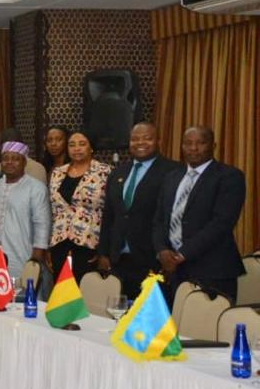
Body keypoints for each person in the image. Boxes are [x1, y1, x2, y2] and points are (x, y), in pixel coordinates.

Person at [153, 126, 246, 303]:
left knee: (206, 327)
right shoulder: (171, 177)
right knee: (173, 326)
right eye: (188, 143)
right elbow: (159, 220)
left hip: (212, 270)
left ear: (213, 145)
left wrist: (181, 254)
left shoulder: (229, 177)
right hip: (172, 270)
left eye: (200, 143)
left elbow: (221, 223)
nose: (193, 148)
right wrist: (162, 251)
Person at [96, 123, 179, 299]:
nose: (140, 142)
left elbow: (173, 217)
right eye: (135, 139)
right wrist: (103, 252)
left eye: (147, 138)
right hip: (119, 259)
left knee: (148, 319)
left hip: (153, 259)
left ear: (158, 141)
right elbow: (109, 215)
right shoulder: (118, 172)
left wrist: (167, 252)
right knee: (118, 315)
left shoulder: (173, 171)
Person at [48, 130, 110, 277]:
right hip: (59, 241)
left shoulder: (105, 172)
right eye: (72, 145)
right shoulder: (57, 173)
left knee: (86, 293)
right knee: (62, 294)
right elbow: (53, 211)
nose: (76, 148)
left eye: (82, 144)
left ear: (91, 147)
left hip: (89, 242)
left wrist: (103, 250)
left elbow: (110, 212)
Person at [0, 142, 51, 279]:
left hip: (24, 254)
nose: (9, 162)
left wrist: (36, 259)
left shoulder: (36, 188)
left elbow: (42, 224)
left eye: (15, 158)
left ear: (24, 162)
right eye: (5, 158)